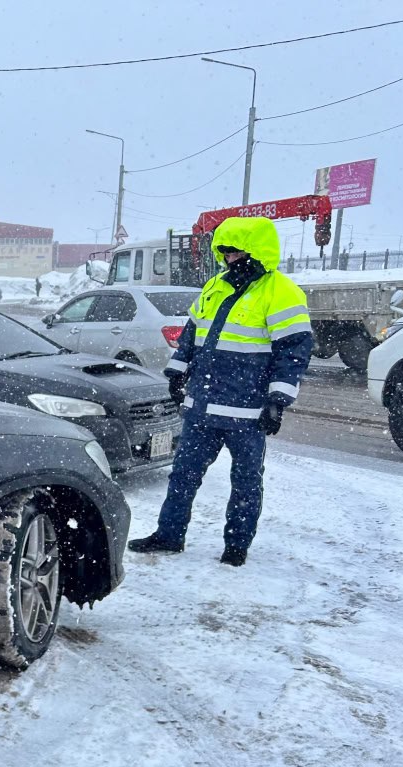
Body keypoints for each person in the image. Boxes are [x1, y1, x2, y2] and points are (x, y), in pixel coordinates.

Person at [128, 216, 313, 566]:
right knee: (182, 475)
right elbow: (191, 335)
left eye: (235, 251)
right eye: (224, 251)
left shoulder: (282, 293)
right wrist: (177, 372)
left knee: (245, 483)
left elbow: (293, 352)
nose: (228, 258)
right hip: (203, 407)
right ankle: (168, 535)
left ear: (256, 252)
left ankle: (236, 547)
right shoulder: (215, 286)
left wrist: (277, 400)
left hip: (248, 412)